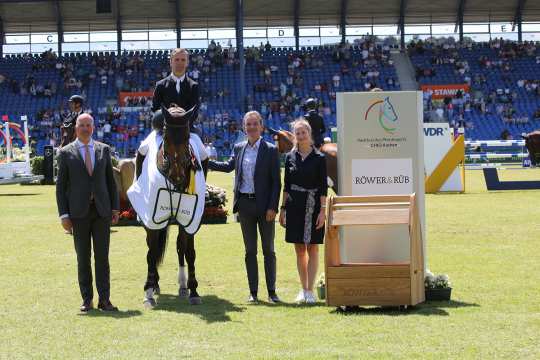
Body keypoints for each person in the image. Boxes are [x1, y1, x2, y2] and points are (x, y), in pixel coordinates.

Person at [208, 111, 281, 304]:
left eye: (254, 124)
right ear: (244, 127)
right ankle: (253, 293)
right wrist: (206, 162)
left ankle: (272, 292)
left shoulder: (271, 149)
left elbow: (276, 183)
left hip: (265, 207)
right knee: (250, 251)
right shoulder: (239, 147)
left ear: (261, 126)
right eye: (248, 124)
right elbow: (228, 166)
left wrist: (273, 207)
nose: (251, 127)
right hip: (245, 205)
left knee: (268, 250)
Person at [56, 113, 120, 313]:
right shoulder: (66, 153)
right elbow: (60, 187)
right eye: (81, 125)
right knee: (83, 258)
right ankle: (87, 300)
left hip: (102, 212)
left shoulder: (104, 150)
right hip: (78, 213)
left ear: (93, 128)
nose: (85, 128)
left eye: (88, 125)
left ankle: (105, 300)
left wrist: (115, 208)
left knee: (103, 258)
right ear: (76, 128)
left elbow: (111, 182)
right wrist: (64, 215)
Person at [279, 119, 327, 304]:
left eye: (303, 132)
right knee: (299, 249)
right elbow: (286, 185)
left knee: (312, 247)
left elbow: (323, 187)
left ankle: (311, 289)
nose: (300, 136)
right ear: (295, 136)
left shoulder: (319, 158)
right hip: (294, 206)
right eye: (297, 133)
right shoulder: (290, 157)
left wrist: (323, 211)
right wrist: (282, 209)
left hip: (314, 205)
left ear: (309, 134)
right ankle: (303, 289)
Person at [151, 48, 200, 133]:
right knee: (144, 146)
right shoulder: (160, 85)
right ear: (171, 62)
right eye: (176, 59)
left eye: (183, 60)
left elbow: (194, 111)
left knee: (199, 146)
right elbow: (155, 109)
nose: (179, 62)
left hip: (187, 130)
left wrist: (182, 125)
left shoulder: (194, 86)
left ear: (187, 62)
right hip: (164, 130)